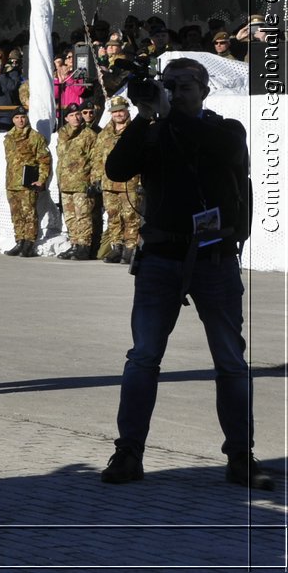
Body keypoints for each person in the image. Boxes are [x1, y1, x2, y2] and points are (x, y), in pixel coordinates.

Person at [99, 58, 271, 491]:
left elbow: (224, 152)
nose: (176, 92)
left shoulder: (225, 129)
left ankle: (240, 457)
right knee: (143, 357)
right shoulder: (155, 129)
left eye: (185, 85)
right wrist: (143, 117)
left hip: (214, 260)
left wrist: (168, 112)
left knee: (230, 362)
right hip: (160, 259)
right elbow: (116, 170)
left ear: (205, 90)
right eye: (169, 85)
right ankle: (128, 453)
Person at [94, 96, 140, 263]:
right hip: (108, 182)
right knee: (113, 215)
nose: (118, 114)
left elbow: (143, 157)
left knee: (130, 216)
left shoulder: (136, 130)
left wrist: (142, 181)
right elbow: (98, 157)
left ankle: (130, 248)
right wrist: (96, 178)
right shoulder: (104, 133)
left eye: (121, 110)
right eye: (115, 112)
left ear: (127, 110)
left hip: (130, 182)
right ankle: (116, 247)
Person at [1, 107, 50, 257]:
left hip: (28, 182)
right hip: (12, 182)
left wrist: (41, 180)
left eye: (23, 117)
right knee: (16, 214)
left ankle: (29, 243)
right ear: (12, 120)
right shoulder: (8, 137)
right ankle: (20, 241)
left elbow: (44, 161)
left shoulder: (35, 137)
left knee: (29, 213)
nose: (20, 120)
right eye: (17, 117)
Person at [55, 102, 99, 260]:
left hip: (82, 182)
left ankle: (84, 247)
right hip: (65, 183)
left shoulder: (89, 135)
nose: (76, 117)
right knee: (70, 216)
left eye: (78, 114)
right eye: (72, 115)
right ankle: (74, 244)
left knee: (83, 216)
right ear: (66, 118)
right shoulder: (61, 133)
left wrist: (94, 181)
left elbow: (96, 160)